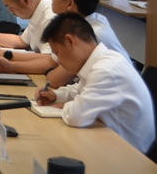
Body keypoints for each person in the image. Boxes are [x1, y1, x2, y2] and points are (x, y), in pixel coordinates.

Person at [35, 12, 154, 153]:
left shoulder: (106, 69)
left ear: (70, 41)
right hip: (111, 140)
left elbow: (76, 116)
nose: (59, 61)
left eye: (57, 53)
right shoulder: (101, 60)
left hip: (130, 153)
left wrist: (66, 106)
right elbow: (80, 90)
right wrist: (56, 96)